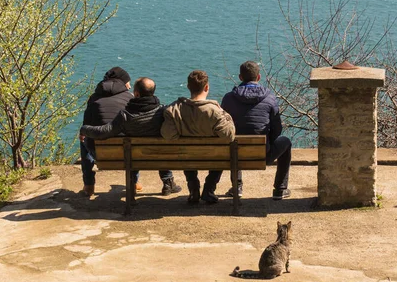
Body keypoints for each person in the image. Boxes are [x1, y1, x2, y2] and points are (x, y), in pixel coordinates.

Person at [80, 77, 182, 196]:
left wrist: (84, 129)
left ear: (136, 94)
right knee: (159, 146)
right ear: (153, 92)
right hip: (157, 157)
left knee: (131, 151)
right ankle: (168, 182)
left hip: (132, 159)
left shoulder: (125, 116)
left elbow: (104, 132)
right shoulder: (163, 112)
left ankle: (128, 184)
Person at [161, 70, 235, 204]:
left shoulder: (174, 109)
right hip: (213, 157)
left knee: (187, 152)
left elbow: (168, 135)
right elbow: (229, 136)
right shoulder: (216, 112)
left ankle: (193, 187)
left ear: (188, 87)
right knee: (221, 153)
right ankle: (209, 189)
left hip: (186, 157)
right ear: (207, 87)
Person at [221, 60, 292, 200]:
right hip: (262, 154)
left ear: (240, 77)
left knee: (235, 139)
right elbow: (277, 128)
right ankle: (280, 189)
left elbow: (223, 127)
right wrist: (268, 142)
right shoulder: (269, 98)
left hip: (235, 155)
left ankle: (237, 186)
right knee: (286, 142)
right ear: (258, 77)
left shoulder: (228, 98)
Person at [79, 67, 134, 197]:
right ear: (122, 82)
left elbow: (86, 125)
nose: (130, 86)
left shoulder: (94, 98)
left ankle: (88, 185)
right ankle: (134, 183)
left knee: (83, 139)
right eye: (128, 82)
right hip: (127, 154)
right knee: (133, 139)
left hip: (101, 154)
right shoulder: (130, 98)